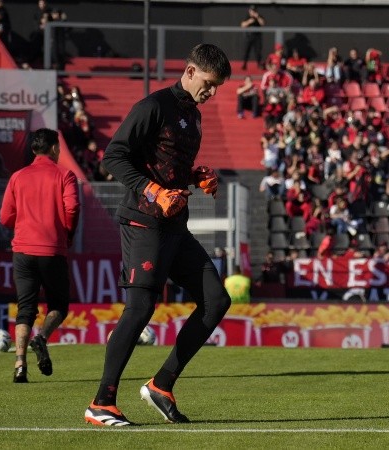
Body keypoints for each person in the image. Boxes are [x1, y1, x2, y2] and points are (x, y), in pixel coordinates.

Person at [85, 44, 232, 427]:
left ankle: (161, 385)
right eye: (209, 83)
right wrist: (153, 191)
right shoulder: (153, 106)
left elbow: (168, 167)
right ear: (190, 71)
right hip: (143, 222)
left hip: (174, 226)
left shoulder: (193, 115)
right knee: (140, 308)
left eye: (217, 87)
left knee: (216, 300)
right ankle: (101, 403)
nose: (211, 92)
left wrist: (196, 177)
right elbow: (113, 156)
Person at [0, 128, 79, 384]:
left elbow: (5, 217)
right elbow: (72, 207)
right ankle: (41, 338)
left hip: (22, 249)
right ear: (54, 148)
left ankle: (19, 363)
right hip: (52, 248)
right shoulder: (65, 174)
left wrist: (25, 223)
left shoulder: (18, 176)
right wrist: (67, 233)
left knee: (25, 309)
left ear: (34, 149)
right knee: (58, 306)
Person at [240, 5, 265, 70]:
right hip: (248, 37)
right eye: (252, 11)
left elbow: (262, 24)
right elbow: (242, 25)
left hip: (257, 37)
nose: (253, 12)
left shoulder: (259, 17)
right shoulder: (247, 17)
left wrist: (258, 17)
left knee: (258, 51)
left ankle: (259, 64)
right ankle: (244, 64)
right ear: (249, 11)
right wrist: (249, 21)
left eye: (254, 11)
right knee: (246, 51)